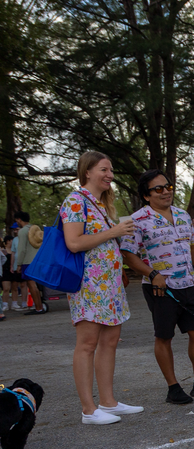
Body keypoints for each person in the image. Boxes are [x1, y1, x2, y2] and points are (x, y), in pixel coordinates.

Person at [120, 170, 194, 405]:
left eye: (168, 187)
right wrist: (152, 274)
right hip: (161, 288)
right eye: (158, 189)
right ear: (146, 196)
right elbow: (128, 254)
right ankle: (173, 387)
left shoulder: (182, 215)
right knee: (164, 336)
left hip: (189, 284)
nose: (166, 192)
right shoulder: (136, 220)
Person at [59, 151, 141, 424]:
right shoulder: (75, 200)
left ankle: (109, 402)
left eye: (111, 170)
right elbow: (74, 242)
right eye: (104, 170)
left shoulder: (100, 204)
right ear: (87, 173)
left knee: (110, 341)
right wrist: (113, 232)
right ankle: (88, 409)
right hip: (88, 284)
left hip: (110, 284)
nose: (110, 175)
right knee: (88, 343)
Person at [13, 211, 46, 315]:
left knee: (31, 285)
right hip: (37, 259)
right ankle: (39, 306)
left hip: (27, 260)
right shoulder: (35, 229)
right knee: (35, 284)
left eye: (16, 220)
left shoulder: (22, 232)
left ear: (19, 219)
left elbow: (21, 249)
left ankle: (38, 307)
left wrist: (19, 264)